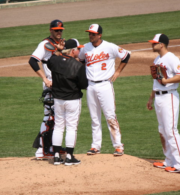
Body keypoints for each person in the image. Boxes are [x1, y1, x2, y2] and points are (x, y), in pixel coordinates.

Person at [78, 24, 131, 156]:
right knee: (94, 117)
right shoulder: (85, 48)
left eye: (93, 34)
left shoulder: (110, 46)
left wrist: (118, 71)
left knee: (110, 116)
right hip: (91, 86)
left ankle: (118, 145)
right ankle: (95, 146)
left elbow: (126, 56)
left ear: (99, 35)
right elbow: (80, 60)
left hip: (105, 85)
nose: (91, 36)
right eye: (89, 33)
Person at [147, 33, 180, 173]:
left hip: (169, 97)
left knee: (171, 131)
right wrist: (151, 98)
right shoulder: (157, 59)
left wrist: (167, 81)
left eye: (154, 43)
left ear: (161, 44)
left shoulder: (171, 58)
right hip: (159, 97)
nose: (152, 45)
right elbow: (156, 81)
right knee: (162, 130)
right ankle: (169, 160)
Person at [47, 39, 88, 165]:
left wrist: (58, 50)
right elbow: (84, 84)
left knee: (58, 126)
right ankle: (69, 157)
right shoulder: (78, 66)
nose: (79, 51)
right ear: (73, 50)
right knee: (71, 127)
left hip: (58, 100)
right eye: (78, 49)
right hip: (73, 100)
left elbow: (50, 62)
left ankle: (57, 157)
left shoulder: (55, 61)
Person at [29, 19, 65, 159]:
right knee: (49, 118)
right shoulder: (45, 44)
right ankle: (41, 150)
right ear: (51, 30)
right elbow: (32, 60)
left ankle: (53, 147)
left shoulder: (62, 44)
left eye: (60, 30)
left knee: (58, 118)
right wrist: (44, 79)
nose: (59, 32)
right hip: (51, 87)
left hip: (62, 87)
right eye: (56, 30)